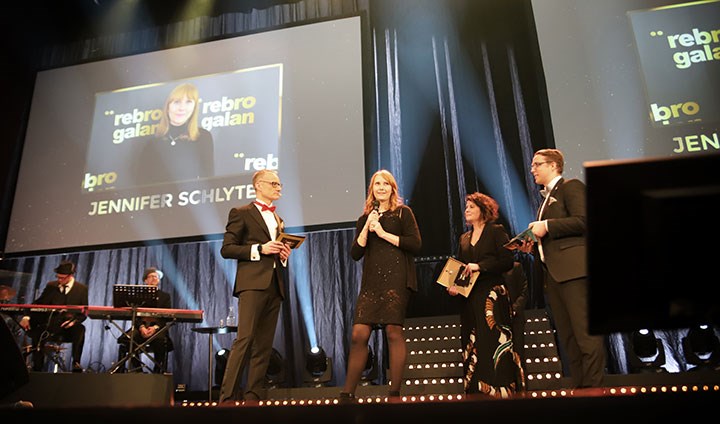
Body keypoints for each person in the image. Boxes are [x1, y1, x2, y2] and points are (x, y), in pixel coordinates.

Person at [521, 148, 606, 389]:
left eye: (537, 164)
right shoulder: (544, 200)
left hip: (575, 273)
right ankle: (581, 389)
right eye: (533, 165)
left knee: (585, 336)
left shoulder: (571, 187)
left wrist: (547, 225)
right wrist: (534, 245)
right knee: (568, 339)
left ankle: (595, 389)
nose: (532, 169)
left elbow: (584, 220)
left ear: (553, 165)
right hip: (554, 275)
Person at [340, 169, 422, 401]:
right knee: (359, 333)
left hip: (397, 278)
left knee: (393, 331)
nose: (382, 187)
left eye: (386, 184)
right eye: (377, 184)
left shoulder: (403, 213)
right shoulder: (365, 219)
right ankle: (347, 392)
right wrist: (368, 226)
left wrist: (383, 233)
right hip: (371, 282)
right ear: (372, 190)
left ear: (392, 189)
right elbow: (356, 253)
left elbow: (415, 244)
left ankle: (394, 391)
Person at [218, 169, 292, 404]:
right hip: (252, 284)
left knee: (264, 345)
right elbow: (227, 249)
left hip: (274, 285)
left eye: (280, 185)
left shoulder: (279, 219)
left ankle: (253, 396)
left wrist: (283, 254)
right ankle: (227, 396)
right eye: (274, 184)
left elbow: (276, 252)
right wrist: (260, 249)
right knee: (245, 339)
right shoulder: (242, 213)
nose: (279, 188)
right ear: (259, 186)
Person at [444, 192, 524, 398]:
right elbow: (463, 270)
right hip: (470, 298)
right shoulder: (464, 238)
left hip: (493, 296)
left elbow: (507, 261)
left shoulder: (496, 231)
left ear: (483, 209)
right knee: (474, 342)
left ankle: (501, 390)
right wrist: (454, 286)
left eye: (471, 206)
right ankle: (476, 392)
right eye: (466, 206)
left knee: (493, 342)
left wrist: (480, 266)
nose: (467, 210)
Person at [134, 82, 215, 185]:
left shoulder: (203, 137)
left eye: (188, 102)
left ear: (194, 108)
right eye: (177, 102)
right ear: (168, 107)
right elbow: (141, 185)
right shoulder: (151, 144)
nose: (182, 108)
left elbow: (208, 181)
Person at [18, 260, 88, 373]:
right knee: (38, 331)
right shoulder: (51, 286)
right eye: (58, 277)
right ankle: (37, 367)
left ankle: (76, 363)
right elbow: (37, 304)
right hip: (50, 324)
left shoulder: (81, 289)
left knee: (80, 329)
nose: (59, 280)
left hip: (68, 326)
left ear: (70, 276)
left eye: (62, 278)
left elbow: (84, 312)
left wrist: (74, 321)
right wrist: (27, 316)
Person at [117, 267, 174, 373]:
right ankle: (138, 370)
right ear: (145, 280)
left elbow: (167, 316)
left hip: (157, 328)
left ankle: (157, 371)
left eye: (156, 277)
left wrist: (155, 328)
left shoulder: (165, 296)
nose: (154, 278)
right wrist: (141, 327)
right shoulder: (139, 295)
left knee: (160, 341)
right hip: (141, 327)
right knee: (129, 340)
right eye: (151, 276)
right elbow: (135, 315)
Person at [503, 258, 529, 363]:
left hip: (515, 317)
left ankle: (521, 378)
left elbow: (524, 291)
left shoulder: (515, 267)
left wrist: (515, 308)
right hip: (497, 318)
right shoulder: (490, 271)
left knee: (518, 353)